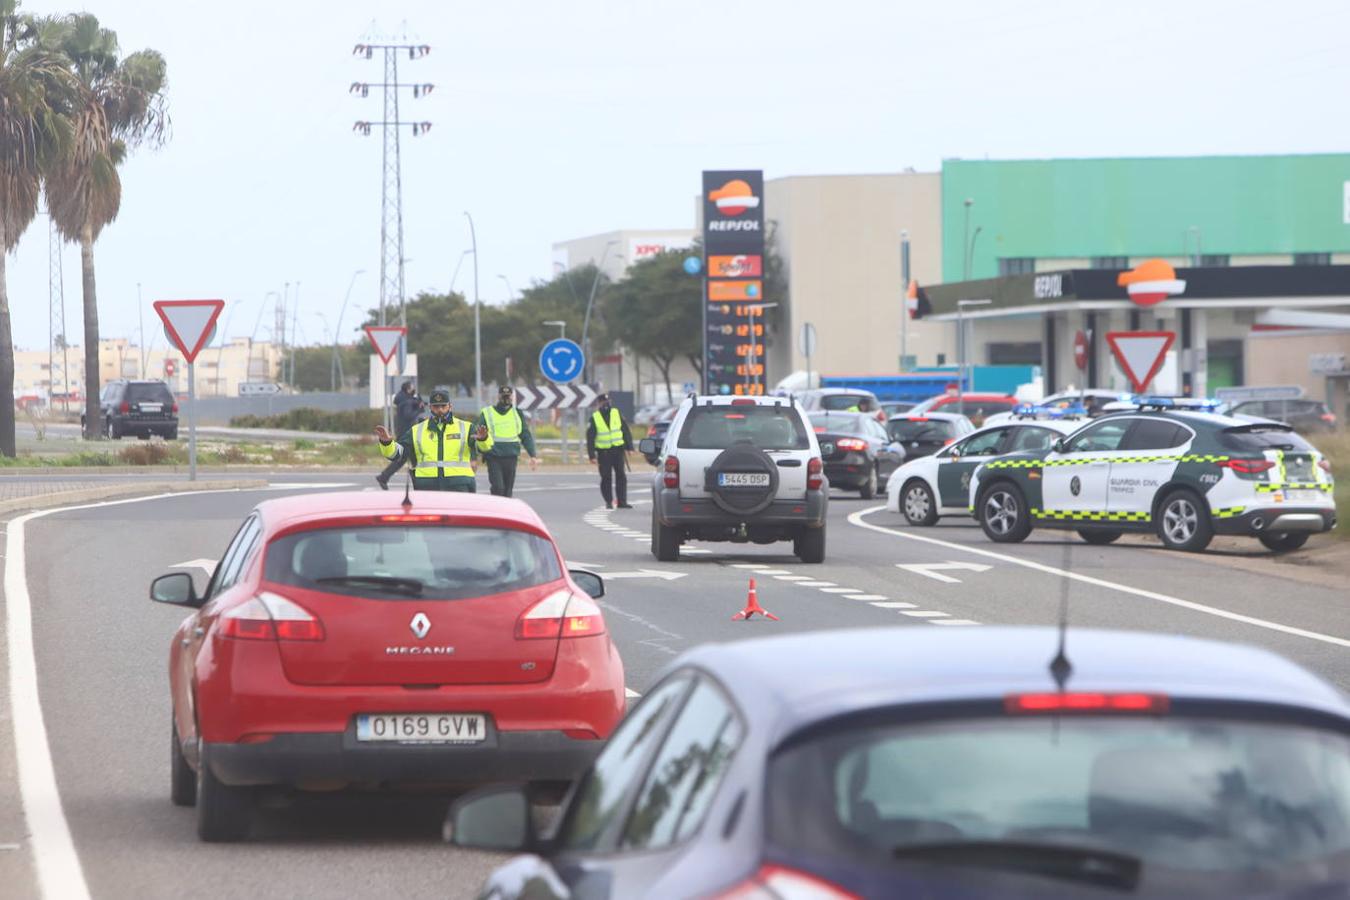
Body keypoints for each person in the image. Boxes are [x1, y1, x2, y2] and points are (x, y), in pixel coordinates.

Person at [374, 390, 491, 492]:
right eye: (436, 406)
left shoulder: (466, 427)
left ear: (450, 406)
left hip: (459, 485)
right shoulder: (417, 430)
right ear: (430, 407)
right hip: (427, 486)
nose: (440, 410)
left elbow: (484, 448)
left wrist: (483, 439)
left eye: (443, 406)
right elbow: (397, 454)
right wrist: (387, 443)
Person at [476, 386, 539, 498]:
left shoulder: (517, 413)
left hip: (511, 457)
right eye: (503, 396)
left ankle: (505, 513)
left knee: (508, 491)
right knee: (498, 488)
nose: (506, 398)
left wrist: (532, 455)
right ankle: (496, 511)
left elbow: (525, 434)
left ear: (512, 397)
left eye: (508, 396)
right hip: (493, 456)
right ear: (498, 396)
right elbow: (478, 435)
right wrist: (474, 456)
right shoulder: (487, 413)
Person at [375, 381, 426, 489]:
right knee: (412, 460)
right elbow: (408, 416)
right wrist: (419, 409)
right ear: (408, 389)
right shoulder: (407, 402)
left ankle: (384, 477)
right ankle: (384, 477)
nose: (414, 390)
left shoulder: (403, 400)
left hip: (406, 432)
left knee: (412, 460)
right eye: (412, 388)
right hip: (408, 434)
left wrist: (418, 406)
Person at [586, 393, 633, 509]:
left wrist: (629, 447)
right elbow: (590, 437)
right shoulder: (595, 417)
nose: (606, 404)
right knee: (606, 477)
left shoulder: (616, 413)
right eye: (603, 402)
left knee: (621, 476)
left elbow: (625, 430)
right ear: (598, 404)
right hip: (604, 453)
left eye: (607, 402)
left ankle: (622, 502)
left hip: (618, 450)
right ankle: (609, 501)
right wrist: (592, 455)